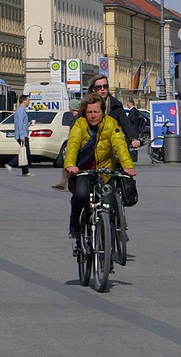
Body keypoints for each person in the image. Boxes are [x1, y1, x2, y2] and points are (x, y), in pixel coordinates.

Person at [64, 93, 136, 247]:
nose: (92, 115)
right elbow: (73, 145)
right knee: (81, 195)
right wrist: (70, 165)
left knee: (108, 207)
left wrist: (128, 166)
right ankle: (77, 230)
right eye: (89, 112)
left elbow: (120, 146)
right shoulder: (80, 125)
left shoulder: (110, 124)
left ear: (103, 112)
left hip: (104, 171)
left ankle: (107, 249)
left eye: (96, 112)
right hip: (82, 170)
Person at [88, 74, 140, 151]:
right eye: (99, 87)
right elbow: (78, 125)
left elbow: (126, 123)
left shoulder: (116, 105)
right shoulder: (86, 105)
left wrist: (134, 138)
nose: (102, 89)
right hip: (91, 145)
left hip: (109, 146)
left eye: (105, 86)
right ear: (93, 89)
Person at [52, 99, 81, 191]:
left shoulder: (77, 118)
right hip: (74, 143)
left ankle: (67, 184)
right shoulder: (76, 117)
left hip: (75, 144)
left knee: (69, 164)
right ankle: (64, 183)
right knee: (68, 164)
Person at [5, 95, 33, 176]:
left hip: (23, 133)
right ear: (24, 101)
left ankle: (25, 171)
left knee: (24, 152)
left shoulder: (21, 110)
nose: (29, 102)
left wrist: (28, 124)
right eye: (28, 100)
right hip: (22, 135)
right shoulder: (21, 110)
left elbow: (22, 123)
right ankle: (10, 164)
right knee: (26, 153)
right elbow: (20, 123)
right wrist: (22, 135)